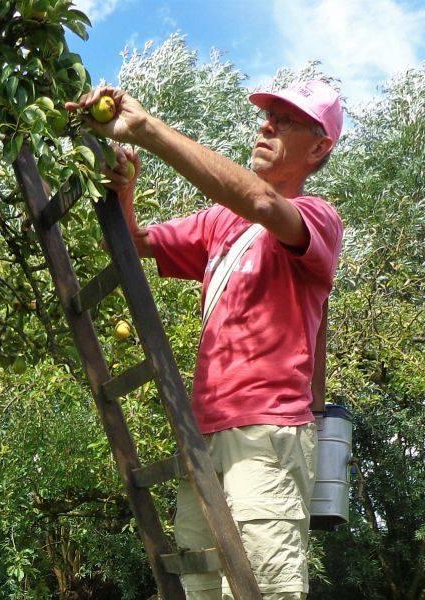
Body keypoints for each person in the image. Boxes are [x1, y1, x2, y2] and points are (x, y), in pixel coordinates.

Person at [65, 79, 344, 600]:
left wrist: (146, 128)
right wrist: (123, 189)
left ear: (319, 146)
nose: (266, 125)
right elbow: (136, 242)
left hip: (265, 434)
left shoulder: (318, 219)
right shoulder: (220, 222)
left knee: (266, 590)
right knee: (199, 588)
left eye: (285, 120)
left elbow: (263, 204)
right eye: (267, 115)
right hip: (202, 436)